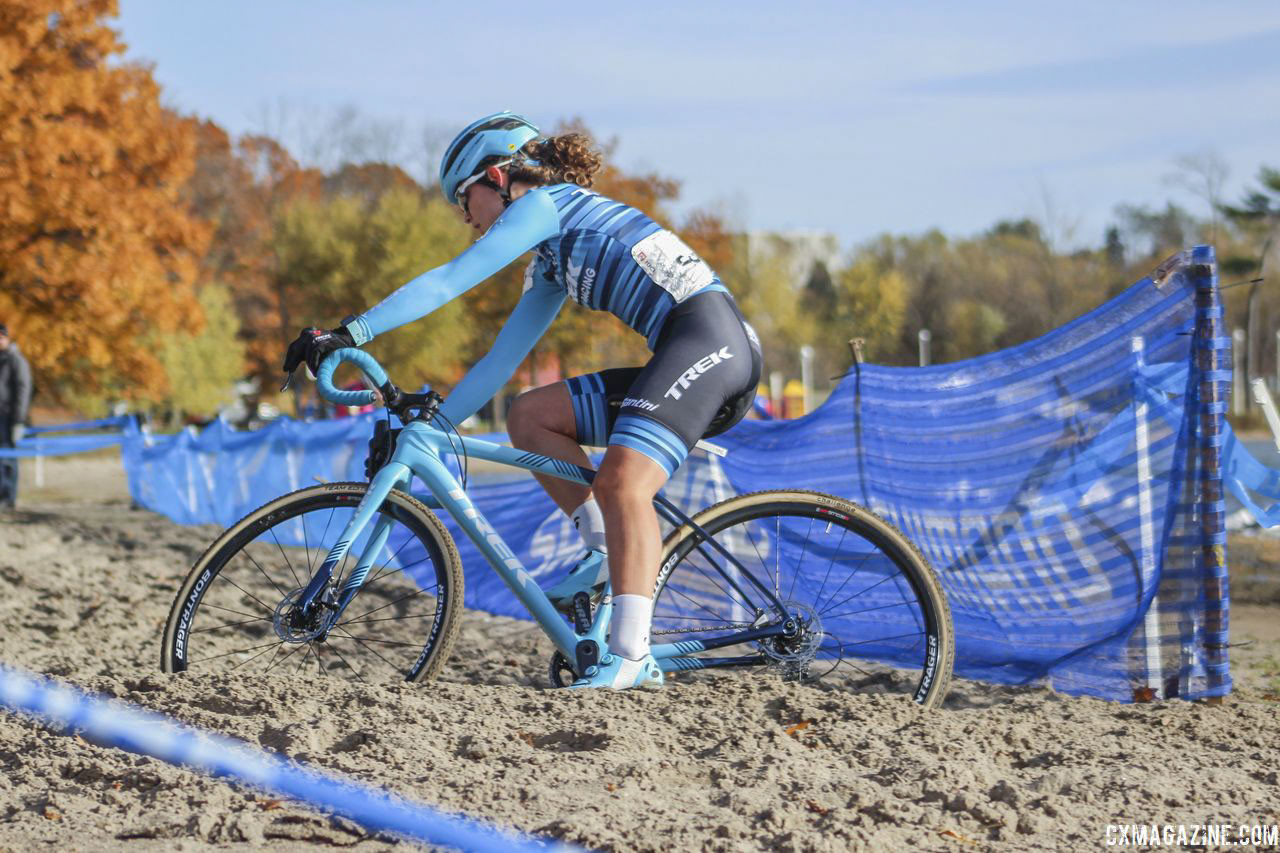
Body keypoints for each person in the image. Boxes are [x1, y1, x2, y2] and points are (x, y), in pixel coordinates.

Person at [283, 112, 761, 689]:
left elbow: (446, 281)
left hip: (712, 342)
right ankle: (604, 549)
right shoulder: (552, 259)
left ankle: (630, 657)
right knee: (530, 415)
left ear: (496, 176)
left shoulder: (549, 204)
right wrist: (429, 430)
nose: (466, 217)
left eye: (464, 199)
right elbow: (499, 364)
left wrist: (349, 332)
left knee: (621, 485)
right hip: (686, 350)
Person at [0, 322, 33, 508]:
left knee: (8, 458)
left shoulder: (16, 360)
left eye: (1, 336)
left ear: (7, 338)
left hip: (9, 418)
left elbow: (23, 390)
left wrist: (18, 420)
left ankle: (7, 496)